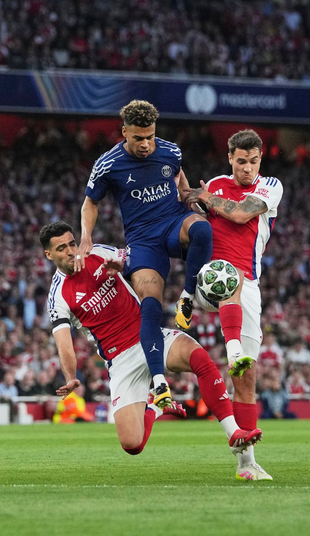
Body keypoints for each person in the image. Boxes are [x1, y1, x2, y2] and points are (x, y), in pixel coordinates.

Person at [41, 221, 262, 466]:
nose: (71, 251)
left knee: (198, 357)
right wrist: (70, 376)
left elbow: (140, 262)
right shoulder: (58, 296)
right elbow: (64, 343)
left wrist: (125, 265)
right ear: (49, 254)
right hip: (120, 359)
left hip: (148, 335)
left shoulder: (97, 253)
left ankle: (234, 433)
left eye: (72, 243)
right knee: (132, 445)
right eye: (62, 248)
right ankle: (156, 408)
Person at [77, 100, 213, 409]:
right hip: (143, 241)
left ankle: (189, 298)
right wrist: (86, 237)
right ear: (125, 132)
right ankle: (160, 383)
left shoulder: (171, 151)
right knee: (150, 305)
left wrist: (193, 196)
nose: (145, 144)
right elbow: (90, 203)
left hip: (172, 223)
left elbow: (180, 181)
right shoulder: (108, 164)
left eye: (150, 136)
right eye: (138, 137)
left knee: (203, 230)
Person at [184, 129, 283, 481]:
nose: (247, 169)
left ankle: (246, 463)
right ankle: (190, 304)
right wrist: (200, 200)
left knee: (246, 375)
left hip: (250, 286)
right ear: (230, 158)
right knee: (230, 277)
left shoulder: (270, 186)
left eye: (253, 161)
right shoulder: (216, 182)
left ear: (260, 159)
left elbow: (241, 215)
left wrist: (208, 200)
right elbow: (199, 212)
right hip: (212, 277)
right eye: (241, 161)